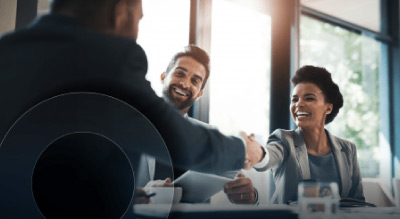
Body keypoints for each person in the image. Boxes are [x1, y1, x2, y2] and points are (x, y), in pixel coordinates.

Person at [0, 0, 265, 174]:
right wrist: (244, 149)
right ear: (120, 11)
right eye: (139, 18)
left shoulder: (8, 49)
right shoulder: (111, 58)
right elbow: (177, 139)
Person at [138, 45, 258, 204]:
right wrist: (144, 193)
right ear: (163, 77)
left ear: (200, 93)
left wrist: (250, 195)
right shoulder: (132, 125)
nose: (185, 84)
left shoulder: (209, 134)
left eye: (194, 81)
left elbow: (238, 179)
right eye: (180, 74)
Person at [254, 65, 365, 203]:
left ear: (328, 107)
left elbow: (358, 202)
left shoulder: (348, 149)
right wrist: (256, 153)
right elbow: (268, 157)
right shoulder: (283, 140)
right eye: (294, 99)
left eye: (309, 98)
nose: (298, 104)